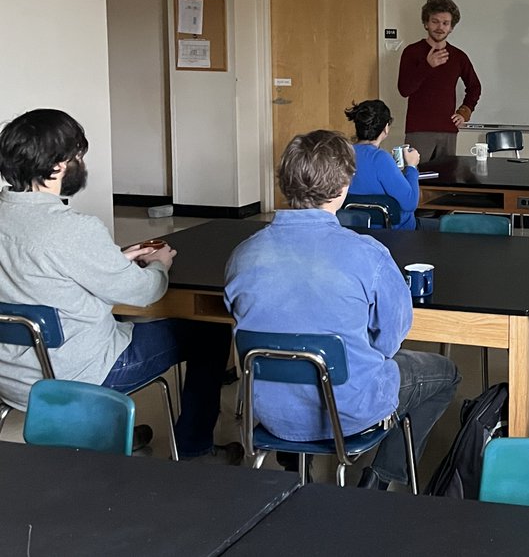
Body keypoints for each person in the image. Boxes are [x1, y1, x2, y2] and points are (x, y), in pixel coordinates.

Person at [225, 129, 460, 491]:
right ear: (343, 186)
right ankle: (382, 478)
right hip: (348, 412)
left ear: (285, 182)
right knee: (445, 374)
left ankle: (295, 465)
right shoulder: (367, 254)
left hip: (270, 415)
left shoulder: (244, 254)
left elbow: (240, 316)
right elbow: (393, 334)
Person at [0, 109, 235, 461]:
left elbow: (38, 274)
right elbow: (144, 294)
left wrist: (113, 260)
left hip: (11, 379)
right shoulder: (72, 229)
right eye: (78, 155)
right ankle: (194, 448)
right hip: (75, 378)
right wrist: (160, 266)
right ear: (60, 164)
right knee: (208, 334)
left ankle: (109, 430)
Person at [397, 0, 481, 163]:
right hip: (418, 130)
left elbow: (475, 87)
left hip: (448, 131)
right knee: (415, 179)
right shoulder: (412, 52)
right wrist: (427, 65)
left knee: (446, 182)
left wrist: (465, 112)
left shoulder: (458, 56)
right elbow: (404, 90)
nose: (440, 27)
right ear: (426, 23)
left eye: (445, 23)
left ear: (451, 27)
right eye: (435, 21)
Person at [344, 99, 420, 230]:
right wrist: (412, 167)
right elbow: (410, 203)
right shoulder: (381, 158)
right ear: (385, 128)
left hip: (353, 228)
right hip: (392, 233)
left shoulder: (343, 153)